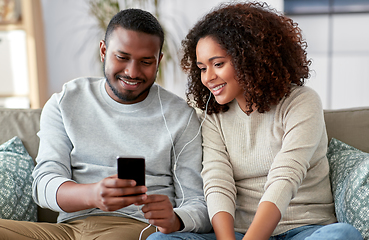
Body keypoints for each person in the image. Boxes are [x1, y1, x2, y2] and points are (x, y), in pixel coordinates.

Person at [0, 8, 211, 240]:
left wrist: (176, 219)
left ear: (158, 60)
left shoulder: (180, 116)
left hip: (135, 227)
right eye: (121, 57)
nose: (132, 71)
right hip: (66, 231)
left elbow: (198, 203)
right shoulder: (65, 102)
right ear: (103, 51)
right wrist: (91, 195)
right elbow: (43, 185)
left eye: (146, 62)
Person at [176, 2, 363, 240]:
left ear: (250, 58)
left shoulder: (301, 102)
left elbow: (286, 177)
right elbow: (217, 182)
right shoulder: (213, 115)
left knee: (343, 235)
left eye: (218, 64)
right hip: (237, 234)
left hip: (305, 230)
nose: (208, 78)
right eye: (202, 68)